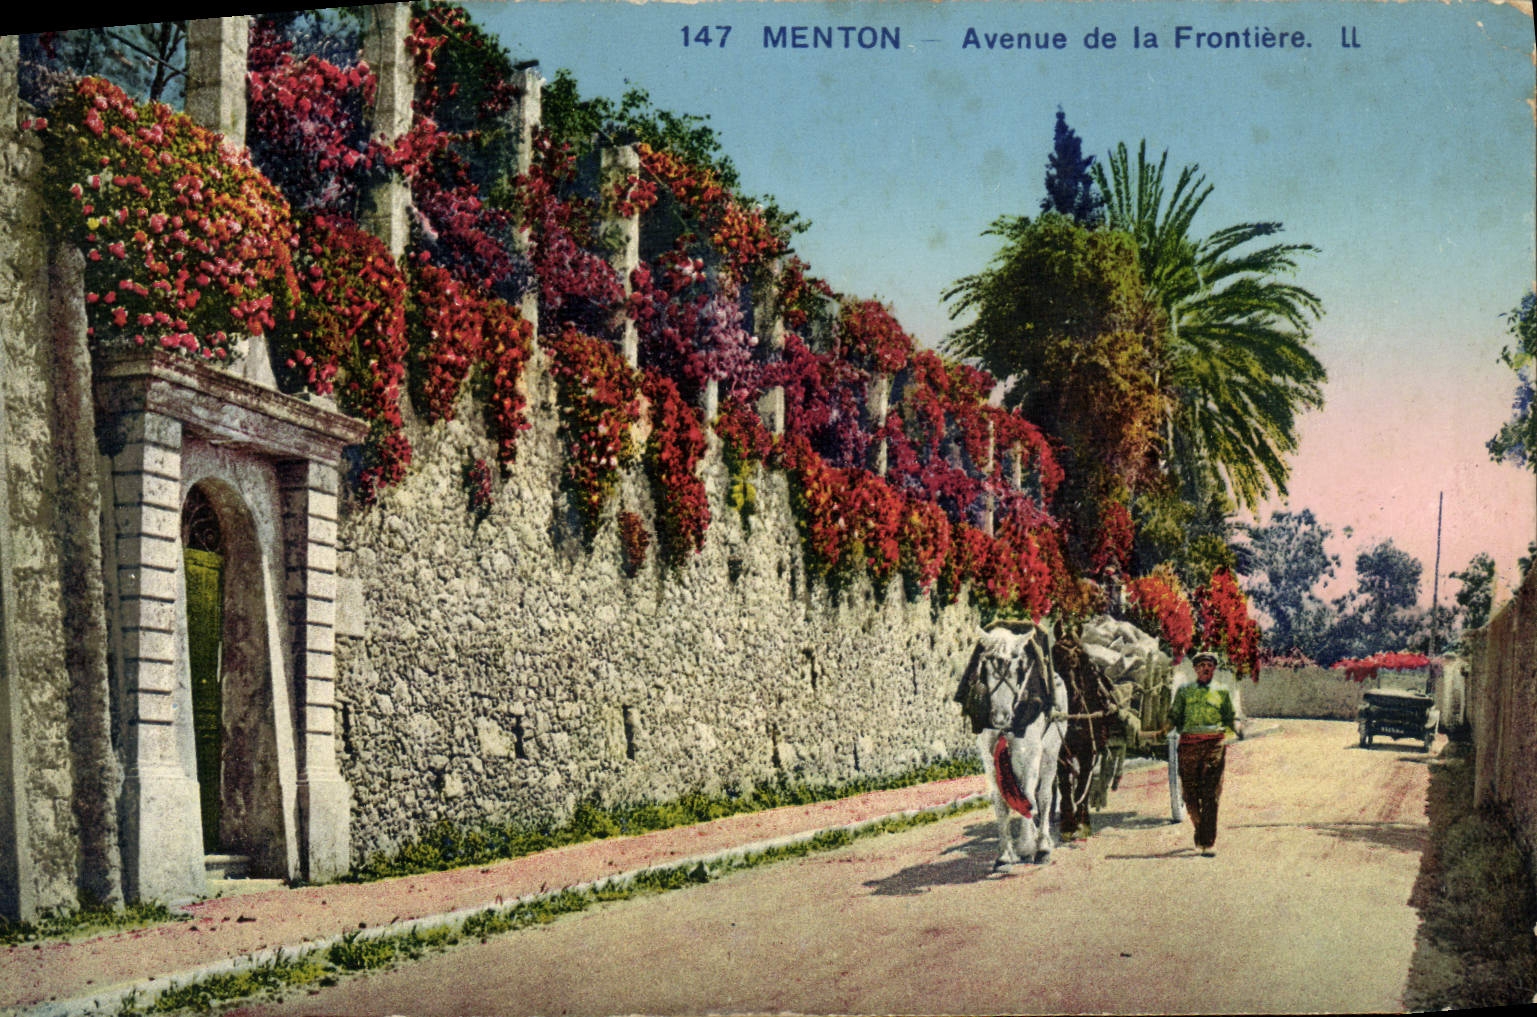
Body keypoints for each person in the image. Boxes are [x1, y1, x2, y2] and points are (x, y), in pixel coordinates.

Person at [1164, 650, 1240, 856]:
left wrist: (1238, 728)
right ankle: (1200, 827)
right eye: (1202, 665)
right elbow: (1174, 715)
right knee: (1189, 795)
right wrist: (1164, 729)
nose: (1206, 668)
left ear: (1214, 668)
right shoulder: (1185, 691)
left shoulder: (1221, 691)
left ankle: (1207, 841)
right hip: (1188, 746)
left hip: (1214, 745)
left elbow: (1229, 716)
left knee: (1210, 794)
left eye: (1209, 665)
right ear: (1195, 669)